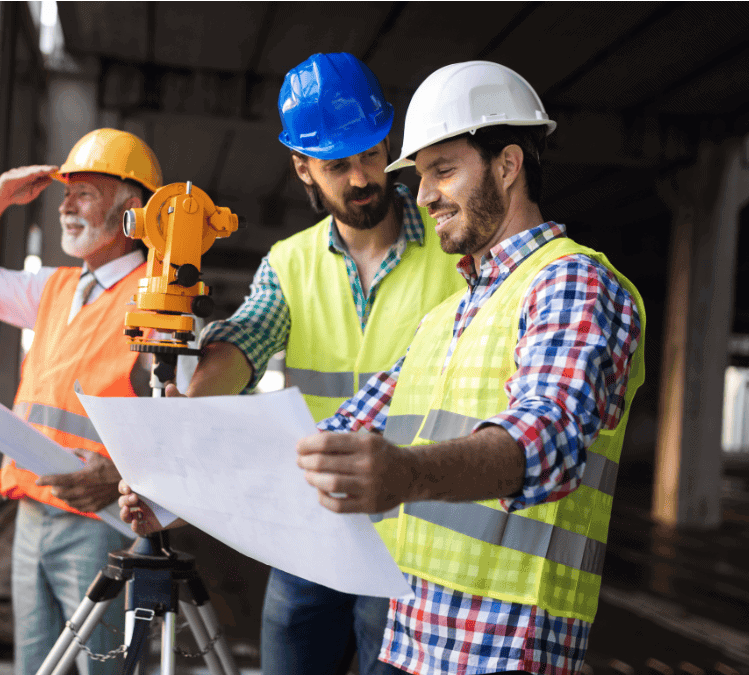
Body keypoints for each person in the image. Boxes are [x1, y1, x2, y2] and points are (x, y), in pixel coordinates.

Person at [293, 61, 646, 674]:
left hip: (507, 649)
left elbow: (549, 437)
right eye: (421, 175)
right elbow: (335, 438)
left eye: (443, 170)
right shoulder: (446, 317)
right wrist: (176, 486)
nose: (423, 194)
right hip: (418, 643)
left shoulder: (571, 281)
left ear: (508, 166)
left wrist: (406, 473)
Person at [123, 53, 465, 675]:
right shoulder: (289, 261)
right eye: (338, 165)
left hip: (414, 531)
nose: (361, 177)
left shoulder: (454, 249)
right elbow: (244, 341)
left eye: (370, 154)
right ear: (302, 167)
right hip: (311, 530)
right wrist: (185, 422)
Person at [0, 128, 163, 675]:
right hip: (33, 516)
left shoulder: (160, 295)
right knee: (36, 667)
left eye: (84, 193)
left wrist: (125, 476)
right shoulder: (56, 289)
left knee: (105, 669)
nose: (66, 207)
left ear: (131, 209)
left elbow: (182, 415)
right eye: (65, 193)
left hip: (102, 521)